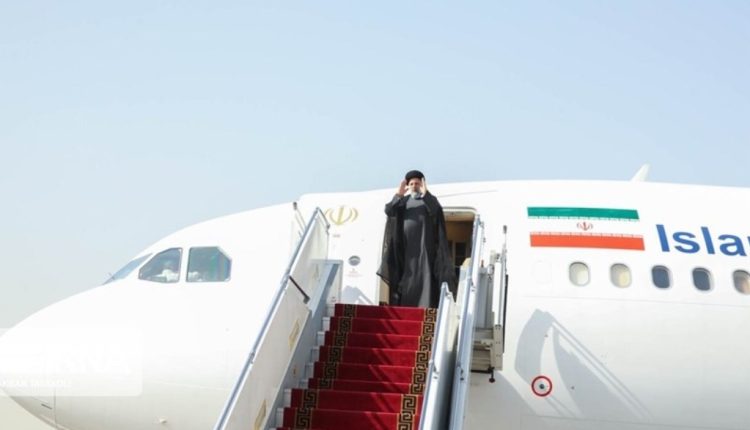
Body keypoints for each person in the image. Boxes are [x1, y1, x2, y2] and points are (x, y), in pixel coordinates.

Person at [377, 170, 456, 308]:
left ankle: (425, 308)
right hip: (406, 249)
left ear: (422, 185)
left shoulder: (428, 200)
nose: (414, 186)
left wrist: (426, 193)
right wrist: (398, 194)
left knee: (425, 276)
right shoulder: (403, 201)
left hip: (425, 247)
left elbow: (436, 211)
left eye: (417, 183)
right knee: (407, 279)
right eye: (412, 184)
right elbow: (389, 211)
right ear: (408, 186)